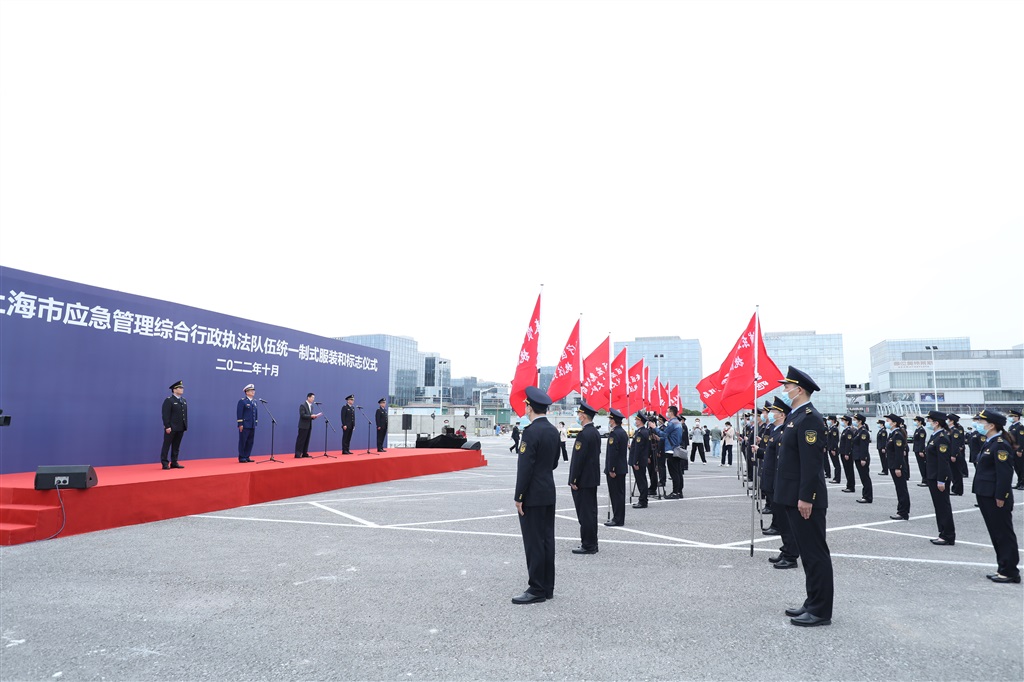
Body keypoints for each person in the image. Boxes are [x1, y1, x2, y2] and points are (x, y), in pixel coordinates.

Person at [775, 367, 833, 627]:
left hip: (805, 498)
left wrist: (806, 497)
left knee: (815, 553)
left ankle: (821, 610)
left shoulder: (809, 418)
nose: (784, 390)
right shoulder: (795, 417)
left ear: (799, 390)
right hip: (792, 496)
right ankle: (812, 602)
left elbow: (811, 464)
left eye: (787, 387)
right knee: (808, 555)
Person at [512, 386, 560, 604]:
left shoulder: (531, 432)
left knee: (533, 542)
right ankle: (547, 586)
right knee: (546, 539)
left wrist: (519, 496)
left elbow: (525, 468)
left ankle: (536, 589)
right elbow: (554, 463)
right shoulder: (552, 430)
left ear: (530, 407)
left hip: (532, 494)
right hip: (548, 490)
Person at [971, 409, 1020, 583]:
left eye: (982, 422)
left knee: (1003, 533)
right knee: (996, 533)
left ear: (991, 425)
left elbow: (1005, 474)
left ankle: (1010, 571)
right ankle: (1003, 567)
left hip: (995, 497)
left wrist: (1001, 496)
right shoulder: (991, 442)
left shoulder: (1000, 444)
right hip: (986, 494)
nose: (979, 424)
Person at [569, 401, 602, 554]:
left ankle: (588, 545)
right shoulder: (594, 432)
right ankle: (591, 542)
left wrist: (574, 479)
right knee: (591, 512)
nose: (578, 416)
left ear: (583, 415)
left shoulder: (584, 434)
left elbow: (578, 460)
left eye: (578, 414)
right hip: (591, 478)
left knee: (585, 513)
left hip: (583, 480)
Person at [924, 409, 955, 545]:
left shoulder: (941, 438)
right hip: (933, 476)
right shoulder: (935, 436)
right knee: (939, 506)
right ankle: (942, 532)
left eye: (930, 421)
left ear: (936, 423)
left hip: (938, 477)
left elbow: (943, 461)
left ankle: (948, 535)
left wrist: (941, 480)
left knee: (943, 506)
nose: (928, 423)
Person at [652, 406, 685, 499]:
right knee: (678, 472)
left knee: (674, 472)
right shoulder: (678, 422)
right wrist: (660, 438)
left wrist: (655, 428)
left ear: (671, 412)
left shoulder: (671, 423)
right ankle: (679, 491)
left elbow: (664, 433)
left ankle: (675, 492)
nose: (667, 413)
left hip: (671, 450)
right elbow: (670, 436)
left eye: (668, 411)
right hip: (676, 448)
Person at [604, 409, 628, 527]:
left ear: (613, 420)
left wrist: (611, 469)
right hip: (621, 468)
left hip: (616, 470)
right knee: (619, 494)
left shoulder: (615, 434)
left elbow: (613, 453)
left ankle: (617, 518)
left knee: (616, 495)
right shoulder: (622, 432)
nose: (609, 421)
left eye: (610, 419)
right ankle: (619, 517)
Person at [884, 414, 911, 520]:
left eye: (888, 420)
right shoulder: (893, 434)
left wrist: (898, 467)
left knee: (901, 489)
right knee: (899, 489)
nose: (886, 422)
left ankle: (903, 512)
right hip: (893, 465)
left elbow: (899, 453)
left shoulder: (897, 435)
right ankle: (901, 510)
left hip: (897, 466)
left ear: (894, 423)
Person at [160, 380, 188, 470]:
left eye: (182, 388)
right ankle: (164, 463)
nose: (182, 389)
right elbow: (165, 414)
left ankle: (174, 462)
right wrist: (167, 426)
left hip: (180, 427)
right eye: (180, 388)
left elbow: (184, 415)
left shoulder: (183, 400)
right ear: (174, 390)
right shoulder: (169, 400)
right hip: (171, 428)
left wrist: (184, 425)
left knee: (176, 446)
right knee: (167, 445)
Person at [629, 412, 652, 508]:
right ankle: (643, 499)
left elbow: (639, 449)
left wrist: (636, 462)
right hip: (642, 459)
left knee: (641, 481)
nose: (635, 421)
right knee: (641, 480)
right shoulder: (643, 431)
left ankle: (643, 501)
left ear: (640, 421)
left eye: (637, 420)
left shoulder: (641, 432)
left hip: (639, 460)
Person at [852, 414, 873, 504]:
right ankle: (865, 495)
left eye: (855, 420)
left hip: (861, 457)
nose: (853, 421)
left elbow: (864, 446)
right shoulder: (859, 431)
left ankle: (867, 496)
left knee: (865, 478)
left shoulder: (863, 432)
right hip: (857, 457)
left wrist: (863, 458)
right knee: (863, 477)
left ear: (860, 421)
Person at [236, 383, 258, 463]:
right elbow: (239, 413)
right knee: (243, 441)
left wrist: (255, 423)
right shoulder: (242, 401)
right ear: (246, 392)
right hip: (245, 425)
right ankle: (242, 457)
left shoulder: (254, 402)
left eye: (253, 390)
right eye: (251, 390)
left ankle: (247, 456)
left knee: (250, 442)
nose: (253, 392)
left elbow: (255, 414)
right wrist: (240, 424)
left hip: (252, 425)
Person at [295, 393, 321, 458]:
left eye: (314, 398)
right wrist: (310, 416)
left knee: (307, 440)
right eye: (312, 398)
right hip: (303, 426)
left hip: (309, 426)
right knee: (301, 440)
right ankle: (298, 453)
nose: (313, 399)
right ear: (308, 397)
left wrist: (314, 417)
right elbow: (302, 415)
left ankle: (304, 453)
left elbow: (309, 416)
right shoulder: (303, 405)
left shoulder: (311, 406)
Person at [947, 413, 967, 496]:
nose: (947, 421)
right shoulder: (950, 430)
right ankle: (955, 488)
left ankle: (958, 490)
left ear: (952, 421)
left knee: (956, 473)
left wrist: (953, 455)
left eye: (948, 420)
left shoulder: (955, 431)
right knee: (953, 473)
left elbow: (955, 444)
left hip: (955, 455)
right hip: (951, 454)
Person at [839, 415, 856, 493]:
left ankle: (851, 486)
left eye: (843, 421)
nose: (842, 422)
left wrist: (847, 453)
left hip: (846, 453)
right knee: (846, 470)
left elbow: (848, 443)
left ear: (847, 422)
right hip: (843, 452)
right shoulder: (845, 430)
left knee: (849, 470)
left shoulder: (849, 431)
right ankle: (848, 485)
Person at [1009, 409, 1024, 490]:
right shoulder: (1012, 427)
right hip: (1013, 450)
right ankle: (1019, 482)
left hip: (1018, 451)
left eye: (1013, 416)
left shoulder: (1020, 427)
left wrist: (1020, 450)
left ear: (1017, 417)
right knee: (1016, 467)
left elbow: (1021, 440)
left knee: (1021, 467)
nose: (1011, 418)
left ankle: (1023, 483)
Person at [912, 416, 929, 486]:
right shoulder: (917, 430)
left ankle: (925, 480)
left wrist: (921, 450)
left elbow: (922, 441)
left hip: (920, 450)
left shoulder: (921, 430)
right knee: (920, 466)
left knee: (923, 466)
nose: (915, 422)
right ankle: (924, 479)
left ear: (920, 422)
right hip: (916, 449)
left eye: (916, 421)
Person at [825, 416, 841, 484]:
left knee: (836, 465)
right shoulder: (831, 428)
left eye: (829, 420)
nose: (828, 421)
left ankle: (837, 478)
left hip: (833, 449)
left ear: (833, 420)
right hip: (830, 448)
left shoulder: (834, 429)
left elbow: (834, 440)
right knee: (835, 464)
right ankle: (835, 478)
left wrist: (833, 449)